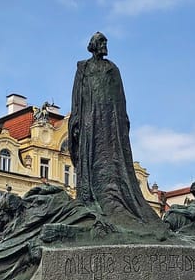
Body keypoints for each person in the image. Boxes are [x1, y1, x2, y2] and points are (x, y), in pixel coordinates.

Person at [69, 32, 163, 231]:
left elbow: (120, 97)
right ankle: (89, 196)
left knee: (112, 155)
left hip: (110, 121)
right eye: (101, 42)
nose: (105, 45)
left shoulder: (113, 69)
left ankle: (114, 197)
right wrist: (76, 119)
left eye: (106, 42)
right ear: (94, 45)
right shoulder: (83, 67)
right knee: (90, 154)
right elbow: (77, 95)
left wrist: (122, 120)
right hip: (89, 117)